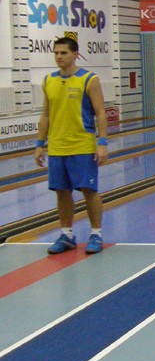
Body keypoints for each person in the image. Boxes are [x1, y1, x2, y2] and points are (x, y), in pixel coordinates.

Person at [34, 36, 108, 255]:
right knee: (61, 191)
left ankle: (96, 234)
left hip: (82, 145)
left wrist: (102, 142)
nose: (59, 57)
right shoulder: (48, 80)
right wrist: (39, 144)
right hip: (57, 146)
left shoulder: (89, 79)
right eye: (56, 53)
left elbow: (101, 113)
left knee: (89, 190)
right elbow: (45, 115)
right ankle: (66, 235)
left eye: (63, 53)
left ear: (75, 55)